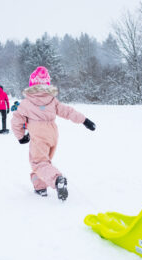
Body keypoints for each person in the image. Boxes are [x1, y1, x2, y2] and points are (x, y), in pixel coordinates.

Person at [11, 66, 96, 201]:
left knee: (39, 163)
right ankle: (40, 187)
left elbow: (16, 121)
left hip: (38, 135)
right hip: (52, 134)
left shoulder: (26, 103)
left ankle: (57, 179)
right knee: (44, 163)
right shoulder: (51, 100)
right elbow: (67, 111)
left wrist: (21, 136)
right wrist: (84, 120)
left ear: (32, 84)